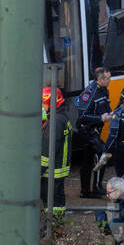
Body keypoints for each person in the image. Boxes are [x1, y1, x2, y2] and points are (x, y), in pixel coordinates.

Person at [75, 67, 112, 197]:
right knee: (103, 154)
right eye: (108, 78)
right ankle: (96, 188)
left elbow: (105, 107)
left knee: (87, 160)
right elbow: (82, 116)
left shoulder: (103, 90)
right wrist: (100, 118)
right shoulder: (90, 93)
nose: (110, 80)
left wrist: (111, 114)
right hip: (87, 131)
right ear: (100, 79)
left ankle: (85, 191)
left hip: (95, 130)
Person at [40, 86, 72, 217]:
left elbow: (47, 150)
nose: (40, 106)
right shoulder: (61, 116)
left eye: (42, 103)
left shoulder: (55, 122)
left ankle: (52, 225)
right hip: (59, 167)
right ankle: (55, 224)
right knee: (57, 198)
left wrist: (39, 171)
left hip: (53, 169)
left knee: (52, 201)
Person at [103, 85, 124, 178]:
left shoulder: (117, 113)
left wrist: (105, 151)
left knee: (122, 178)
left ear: (122, 97)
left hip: (122, 150)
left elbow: (112, 136)